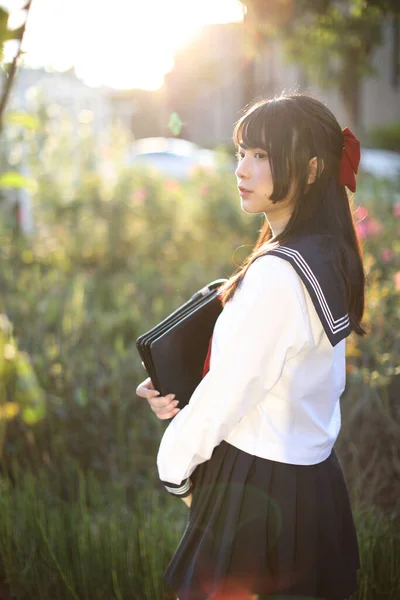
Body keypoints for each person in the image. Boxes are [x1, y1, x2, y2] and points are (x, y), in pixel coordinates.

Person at [136, 91, 365, 600]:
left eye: (262, 155)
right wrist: (184, 386)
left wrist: (174, 466)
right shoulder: (329, 253)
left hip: (257, 490)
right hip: (316, 485)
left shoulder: (278, 274)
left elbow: (227, 397)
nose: (243, 168)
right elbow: (280, 372)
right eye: (242, 152)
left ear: (310, 170)